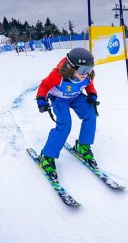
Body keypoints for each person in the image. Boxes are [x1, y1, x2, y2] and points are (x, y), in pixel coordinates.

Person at [36, 47, 99, 181]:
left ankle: (82, 145)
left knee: (90, 114)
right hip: (59, 99)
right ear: (71, 67)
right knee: (65, 125)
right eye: (83, 70)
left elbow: (88, 85)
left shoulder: (86, 75)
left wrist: (92, 95)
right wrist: (41, 99)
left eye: (89, 69)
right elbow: (44, 86)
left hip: (76, 97)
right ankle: (47, 156)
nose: (86, 73)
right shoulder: (58, 75)